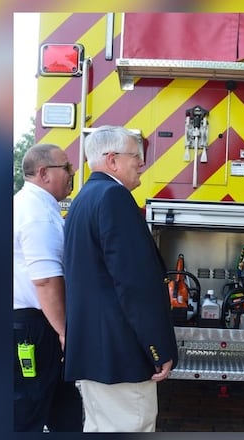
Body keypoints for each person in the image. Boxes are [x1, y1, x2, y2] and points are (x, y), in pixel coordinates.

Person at [63, 125, 178, 432]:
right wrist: (158, 347)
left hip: (94, 353)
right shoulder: (114, 197)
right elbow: (135, 285)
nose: (141, 163)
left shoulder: (84, 199)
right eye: (136, 156)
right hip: (121, 356)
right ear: (112, 159)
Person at [13, 143, 82, 432]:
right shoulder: (37, 214)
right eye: (65, 167)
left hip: (35, 324)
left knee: (62, 409)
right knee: (27, 412)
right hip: (37, 327)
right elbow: (46, 279)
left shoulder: (31, 205)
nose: (72, 172)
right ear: (43, 173)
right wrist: (64, 331)